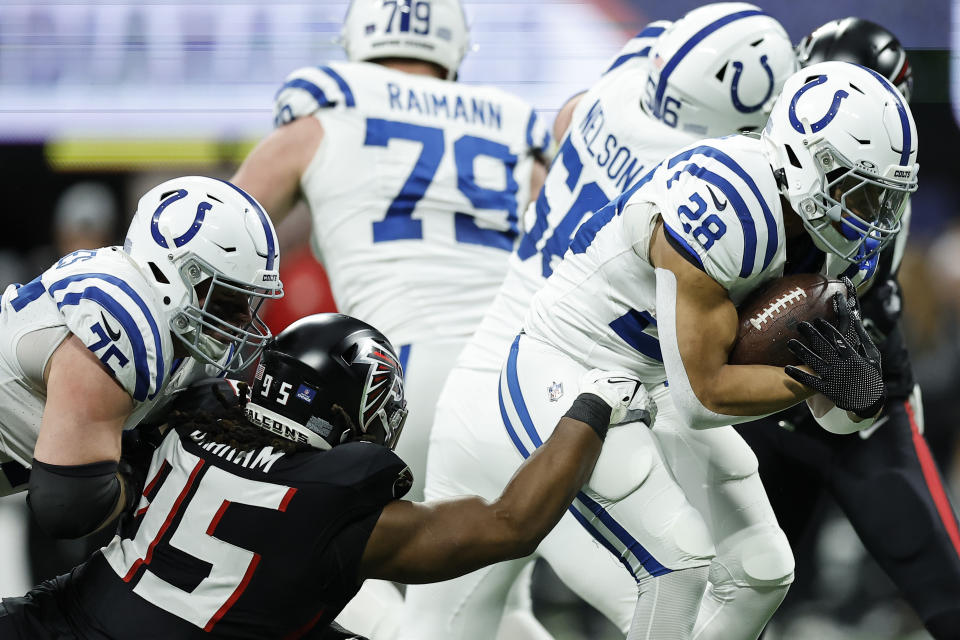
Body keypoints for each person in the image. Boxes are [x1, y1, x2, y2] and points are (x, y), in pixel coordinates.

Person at [406, 54, 919, 640]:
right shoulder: (729, 205)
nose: (870, 216)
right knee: (678, 561)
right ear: (806, 161)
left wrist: (858, 397)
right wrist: (812, 378)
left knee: (763, 571)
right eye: (856, 191)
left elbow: (832, 419)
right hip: (574, 363)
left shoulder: (830, 243)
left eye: (883, 197)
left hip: (654, 376)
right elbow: (704, 397)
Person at [0, 313, 654, 639]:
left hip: (48, 620)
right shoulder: (331, 499)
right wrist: (593, 407)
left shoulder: (189, 416)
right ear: (351, 407)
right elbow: (512, 523)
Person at [230, 0, 549, 505]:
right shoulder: (511, 128)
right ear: (455, 45)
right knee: (496, 559)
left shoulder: (324, 114)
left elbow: (222, 229)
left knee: (346, 564)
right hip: (522, 371)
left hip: (394, 379)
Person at [734, 19, 960, 640]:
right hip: (757, 410)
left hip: (861, 402)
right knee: (726, 603)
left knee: (948, 593)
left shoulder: (891, 191)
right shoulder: (739, 179)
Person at [0, 176, 282, 542]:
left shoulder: (187, 343)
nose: (243, 318)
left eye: (248, 299)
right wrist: (136, 478)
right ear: (169, 274)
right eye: (225, 297)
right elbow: (67, 504)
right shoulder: (122, 316)